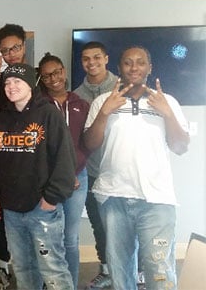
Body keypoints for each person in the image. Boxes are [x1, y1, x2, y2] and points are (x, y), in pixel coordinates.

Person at [83, 46, 190, 290]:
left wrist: (167, 114)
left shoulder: (167, 101)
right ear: (119, 68)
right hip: (114, 198)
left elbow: (181, 146)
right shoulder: (103, 101)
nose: (134, 68)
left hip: (157, 199)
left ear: (149, 68)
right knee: (120, 270)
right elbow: (90, 144)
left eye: (140, 62)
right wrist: (104, 112)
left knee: (159, 270)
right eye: (128, 62)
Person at [0, 63, 76, 290]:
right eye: (7, 82)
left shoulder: (48, 113)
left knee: (52, 268)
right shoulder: (3, 117)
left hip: (42, 208)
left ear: (30, 84)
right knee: (24, 269)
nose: (11, 86)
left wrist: (51, 198)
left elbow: (64, 159)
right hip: (12, 210)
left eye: (17, 81)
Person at [38, 53, 90, 289]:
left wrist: (72, 173)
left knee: (70, 238)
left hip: (78, 178)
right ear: (41, 78)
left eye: (57, 71)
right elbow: (38, 147)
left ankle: (70, 284)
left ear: (64, 71)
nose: (54, 78)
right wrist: (60, 176)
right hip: (48, 181)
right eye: (47, 75)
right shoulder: (37, 106)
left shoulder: (82, 104)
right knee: (48, 237)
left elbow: (86, 143)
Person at [0, 24, 30, 287]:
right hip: (7, 158)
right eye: (5, 50)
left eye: (15, 48)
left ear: (24, 46)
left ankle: (36, 273)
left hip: (33, 160)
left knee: (36, 223)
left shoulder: (36, 77)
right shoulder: (2, 80)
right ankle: (3, 268)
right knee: (2, 220)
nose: (11, 53)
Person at [72, 41, 118, 289]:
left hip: (121, 172)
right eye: (86, 59)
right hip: (92, 172)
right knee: (99, 225)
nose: (91, 63)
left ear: (106, 58)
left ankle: (137, 271)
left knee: (126, 225)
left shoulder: (123, 89)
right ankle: (106, 270)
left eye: (97, 57)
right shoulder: (77, 95)